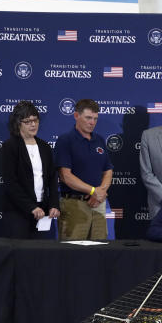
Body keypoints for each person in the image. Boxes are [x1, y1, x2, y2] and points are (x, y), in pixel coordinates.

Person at [54, 99, 112, 241]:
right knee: (72, 254)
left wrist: (100, 192)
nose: (92, 122)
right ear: (76, 116)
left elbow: (108, 170)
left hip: (98, 204)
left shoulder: (99, 140)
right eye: (88, 118)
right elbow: (65, 175)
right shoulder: (65, 140)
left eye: (95, 119)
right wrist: (93, 191)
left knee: (100, 252)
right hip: (74, 206)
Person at [0, 101, 60, 238]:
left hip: (43, 212)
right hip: (17, 211)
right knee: (20, 255)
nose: (33, 124)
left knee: (41, 255)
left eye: (35, 120)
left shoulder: (44, 147)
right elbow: (11, 183)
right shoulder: (10, 146)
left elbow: (52, 179)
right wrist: (31, 207)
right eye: (28, 121)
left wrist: (54, 204)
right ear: (18, 123)